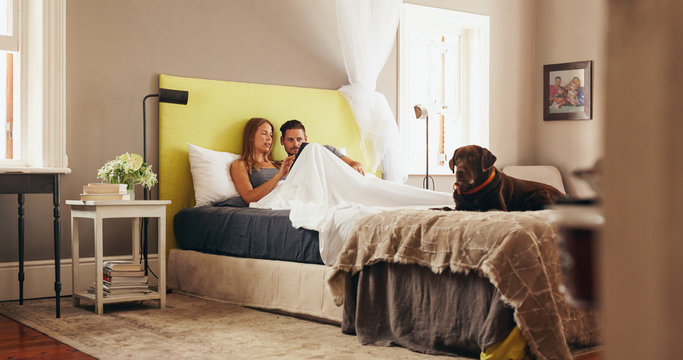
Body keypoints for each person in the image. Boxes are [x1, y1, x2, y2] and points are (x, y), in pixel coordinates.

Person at [230, 117, 294, 204]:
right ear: (250, 137)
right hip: (272, 203)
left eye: (271, 135)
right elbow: (249, 197)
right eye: (264, 133)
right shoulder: (240, 164)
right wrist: (279, 175)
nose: (269, 139)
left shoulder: (280, 164)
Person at [279, 119, 365, 175]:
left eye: (299, 139)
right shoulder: (284, 167)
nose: (295, 144)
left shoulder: (326, 150)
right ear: (282, 141)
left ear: (305, 139)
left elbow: (354, 163)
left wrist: (357, 167)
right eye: (290, 140)